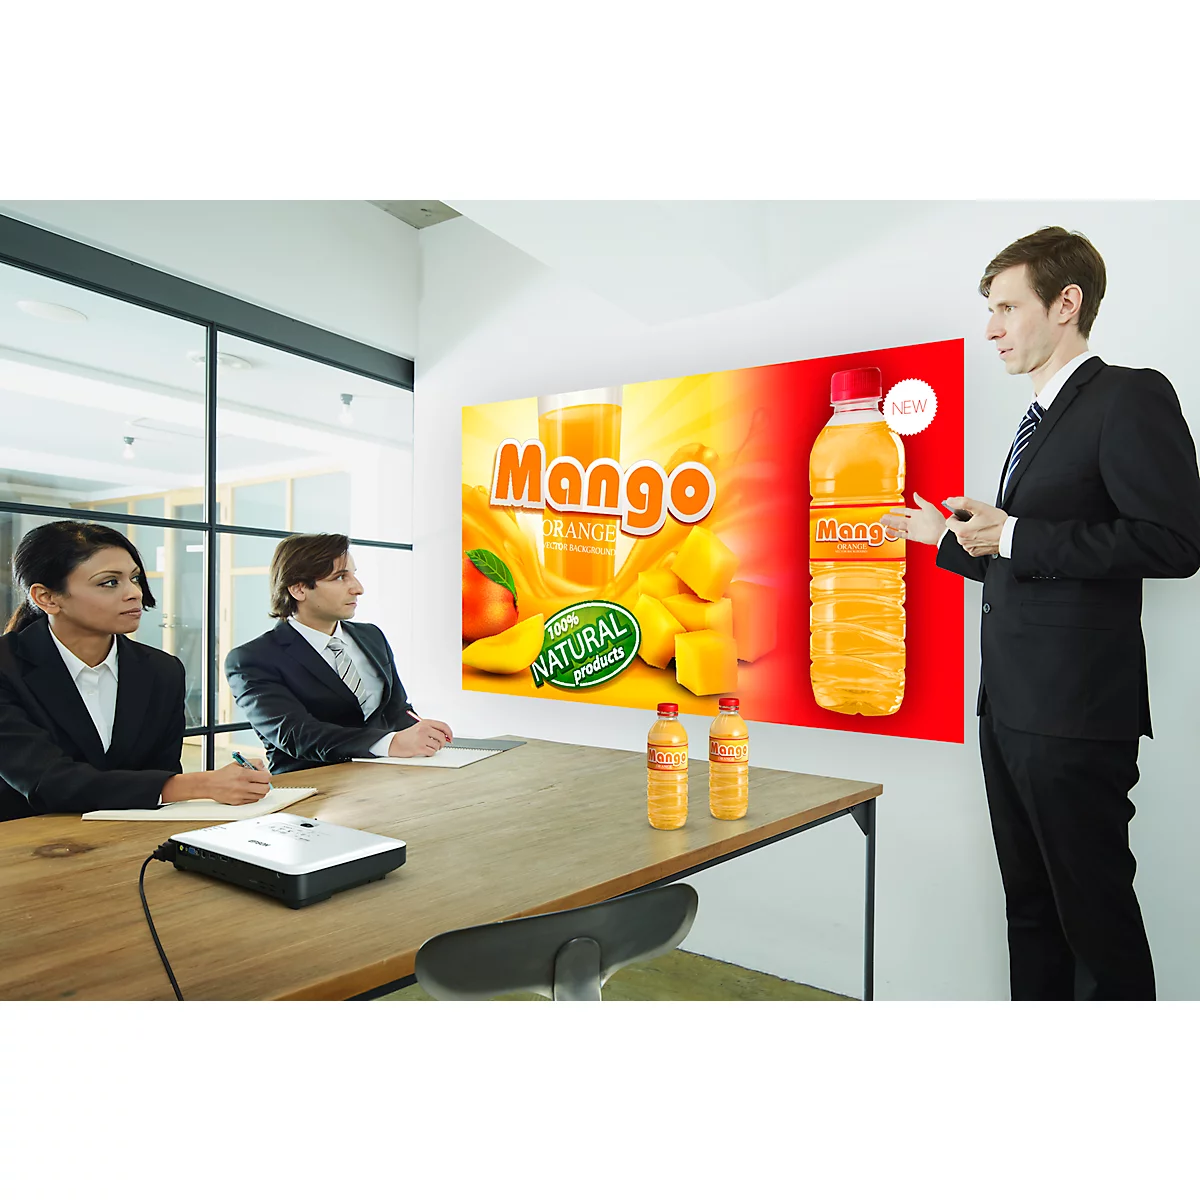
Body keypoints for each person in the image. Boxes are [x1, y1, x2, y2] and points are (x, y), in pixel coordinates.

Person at [882, 226, 1200, 1000]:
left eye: (1005, 307)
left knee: (1093, 915)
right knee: (1029, 910)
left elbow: (1173, 541)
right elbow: (1032, 564)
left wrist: (1018, 530)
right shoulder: (1036, 422)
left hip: (1076, 715)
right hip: (1012, 709)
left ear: (1067, 304)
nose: (990, 328)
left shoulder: (1130, 394)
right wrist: (947, 538)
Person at [0, 521, 273, 821]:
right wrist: (203, 784)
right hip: (23, 847)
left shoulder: (162, 670)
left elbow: (163, 773)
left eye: (135, 578)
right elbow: (49, 781)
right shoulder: (7, 667)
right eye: (109, 582)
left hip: (132, 843)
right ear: (47, 598)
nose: (134, 593)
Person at [225, 532, 452, 774]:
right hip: (314, 790)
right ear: (299, 589)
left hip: (388, 777)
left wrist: (421, 731)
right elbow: (297, 735)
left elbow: (395, 709)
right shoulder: (252, 659)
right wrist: (391, 743)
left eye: (354, 574)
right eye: (340, 577)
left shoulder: (371, 636)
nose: (358, 588)